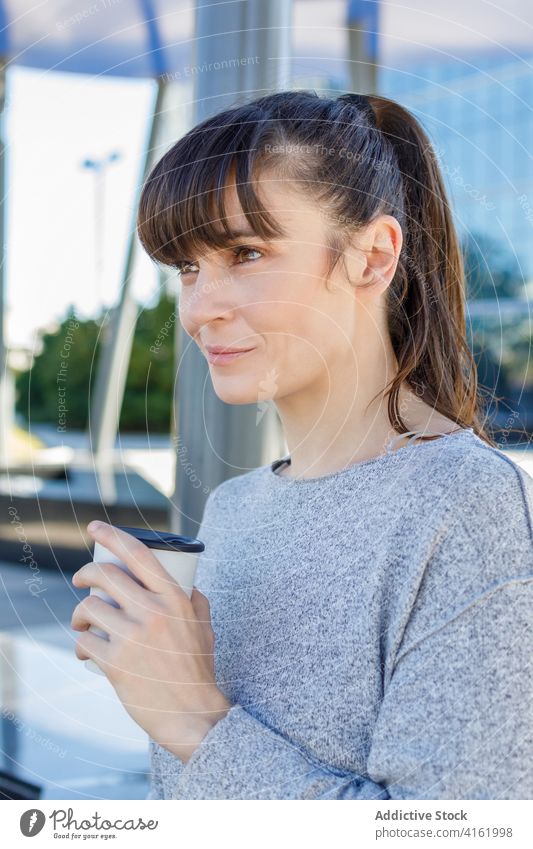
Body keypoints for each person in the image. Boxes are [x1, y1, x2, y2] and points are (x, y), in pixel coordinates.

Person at [76, 90, 533, 800]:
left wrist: (193, 718)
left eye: (246, 252)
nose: (198, 310)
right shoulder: (235, 509)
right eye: (187, 268)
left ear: (373, 257)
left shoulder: (461, 503)